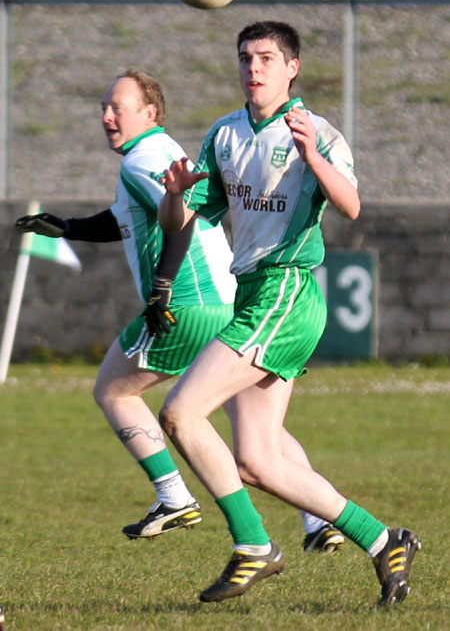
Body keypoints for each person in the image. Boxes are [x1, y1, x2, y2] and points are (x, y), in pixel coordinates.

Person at [15, 67, 335, 551]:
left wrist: (161, 288)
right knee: (248, 421)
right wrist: (69, 227)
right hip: (227, 302)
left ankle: (174, 497)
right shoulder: (161, 153)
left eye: (116, 108)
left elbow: (178, 221)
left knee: (113, 391)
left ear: (149, 113)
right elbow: (128, 219)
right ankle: (319, 523)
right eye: (103, 107)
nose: (105, 116)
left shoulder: (141, 160)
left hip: (186, 305)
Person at [157, 21, 421, 605]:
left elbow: (351, 206)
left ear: (292, 68)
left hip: (287, 292)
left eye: (268, 58)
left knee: (179, 414)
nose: (255, 68)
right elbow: (184, 221)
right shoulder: (224, 135)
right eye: (247, 58)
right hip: (253, 294)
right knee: (254, 460)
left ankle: (254, 544)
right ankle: (383, 541)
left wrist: (313, 158)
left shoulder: (316, 131)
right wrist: (174, 195)